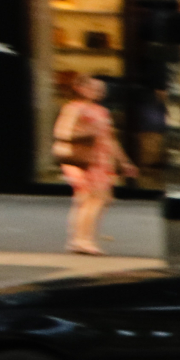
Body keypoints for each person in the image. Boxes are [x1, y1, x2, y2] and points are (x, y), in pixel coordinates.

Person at [52, 74, 134, 255]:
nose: (98, 92)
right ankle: (82, 240)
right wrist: (88, 131)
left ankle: (80, 239)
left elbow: (110, 139)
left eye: (101, 89)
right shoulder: (74, 108)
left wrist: (123, 161)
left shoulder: (102, 111)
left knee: (95, 199)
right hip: (85, 160)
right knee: (91, 198)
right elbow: (61, 132)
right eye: (94, 88)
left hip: (100, 160)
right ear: (81, 89)